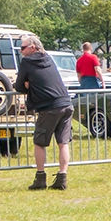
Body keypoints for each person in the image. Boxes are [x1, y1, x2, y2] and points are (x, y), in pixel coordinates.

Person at [15, 33, 73, 191]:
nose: (21, 51)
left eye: (23, 48)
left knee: (39, 142)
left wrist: (28, 85)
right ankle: (62, 177)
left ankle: (40, 177)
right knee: (63, 143)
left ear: (32, 47)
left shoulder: (27, 62)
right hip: (66, 104)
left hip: (49, 107)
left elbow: (19, 86)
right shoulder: (48, 58)